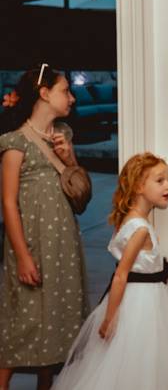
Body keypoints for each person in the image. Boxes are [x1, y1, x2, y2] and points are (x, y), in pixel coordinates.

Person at [52, 152, 168, 390]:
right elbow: (121, 275)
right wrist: (109, 318)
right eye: (160, 180)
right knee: (144, 361)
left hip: (140, 299)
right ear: (139, 186)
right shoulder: (140, 229)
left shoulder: (129, 221)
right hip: (142, 305)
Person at [0, 64, 89, 390]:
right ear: (44, 93)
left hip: (62, 248)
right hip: (32, 247)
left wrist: (70, 161)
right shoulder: (15, 142)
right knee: (21, 325)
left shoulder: (63, 136)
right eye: (66, 90)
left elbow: (80, 197)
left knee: (56, 325)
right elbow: (8, 203)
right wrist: (22, 256)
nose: (72, 98)